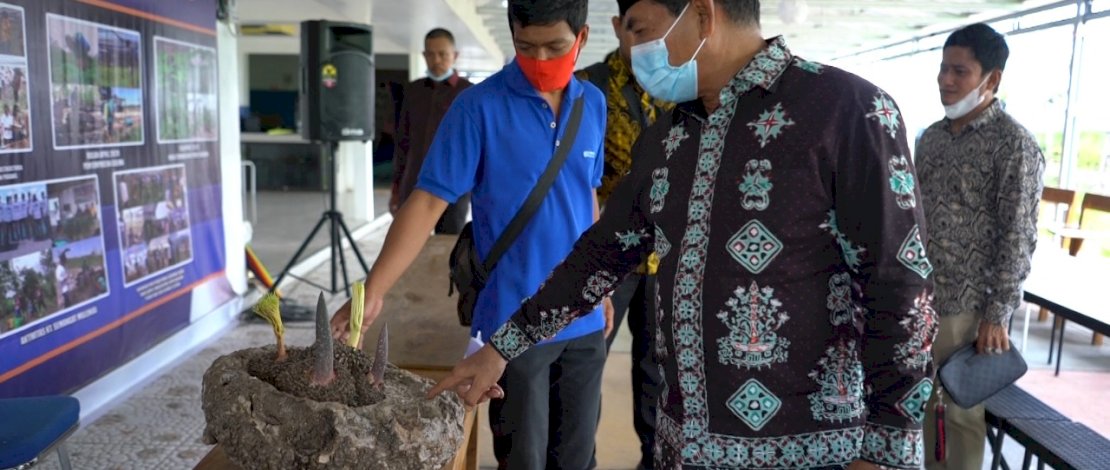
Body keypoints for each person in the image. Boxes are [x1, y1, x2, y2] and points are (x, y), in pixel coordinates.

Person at [430, 0, 940, 468]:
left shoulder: (846, 111)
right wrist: (501, 349)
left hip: (814, 450)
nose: (633, 52)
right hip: (685, 449)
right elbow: (599, 256)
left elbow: (898, 284)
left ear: (702, 14)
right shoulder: (669, 138)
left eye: (642, 31)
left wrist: (887, 446)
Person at [331, 1, 613, 468]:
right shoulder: (478, 108)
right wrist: (373, 291)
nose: (541, 61)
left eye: (556, 47)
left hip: (581, 318)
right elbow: (425, 204)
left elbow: (588, 197)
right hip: (511, 323)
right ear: (512, 37)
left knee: (578, 457)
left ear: (581, 39)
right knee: (522, 457)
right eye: (527, 47)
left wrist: (599, 286)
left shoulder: (593, 105)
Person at [915, 23, 1045, 470]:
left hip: (967, 308)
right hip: (920, 301)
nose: (945, 81)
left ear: (992, 79)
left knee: (959, 413)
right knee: (919, 406)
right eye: (942, 69)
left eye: (960, 71)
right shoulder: (930, 139)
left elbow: (1018, 235)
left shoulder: (1013, 145)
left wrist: (997, 313)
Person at [575, 1, 672, 467]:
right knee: (586, 363)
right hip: (607, 254)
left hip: (667, 256)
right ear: (618, 27)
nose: (650, 45)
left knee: (658, 371)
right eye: (638, 31)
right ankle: (579, 458)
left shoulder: (681, 84)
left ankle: (653, 460)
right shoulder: (589, 86)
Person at [389, 28, 473, 234]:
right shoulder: (412, 92)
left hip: (454, 187)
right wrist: (396, 188)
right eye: (430, 54)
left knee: (448, 248)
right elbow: (402, 143)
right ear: (424, 55)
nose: (436, 60)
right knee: (410, 244)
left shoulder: (469, 93)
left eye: (442, 54)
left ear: (455, 55)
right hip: (415, 183)